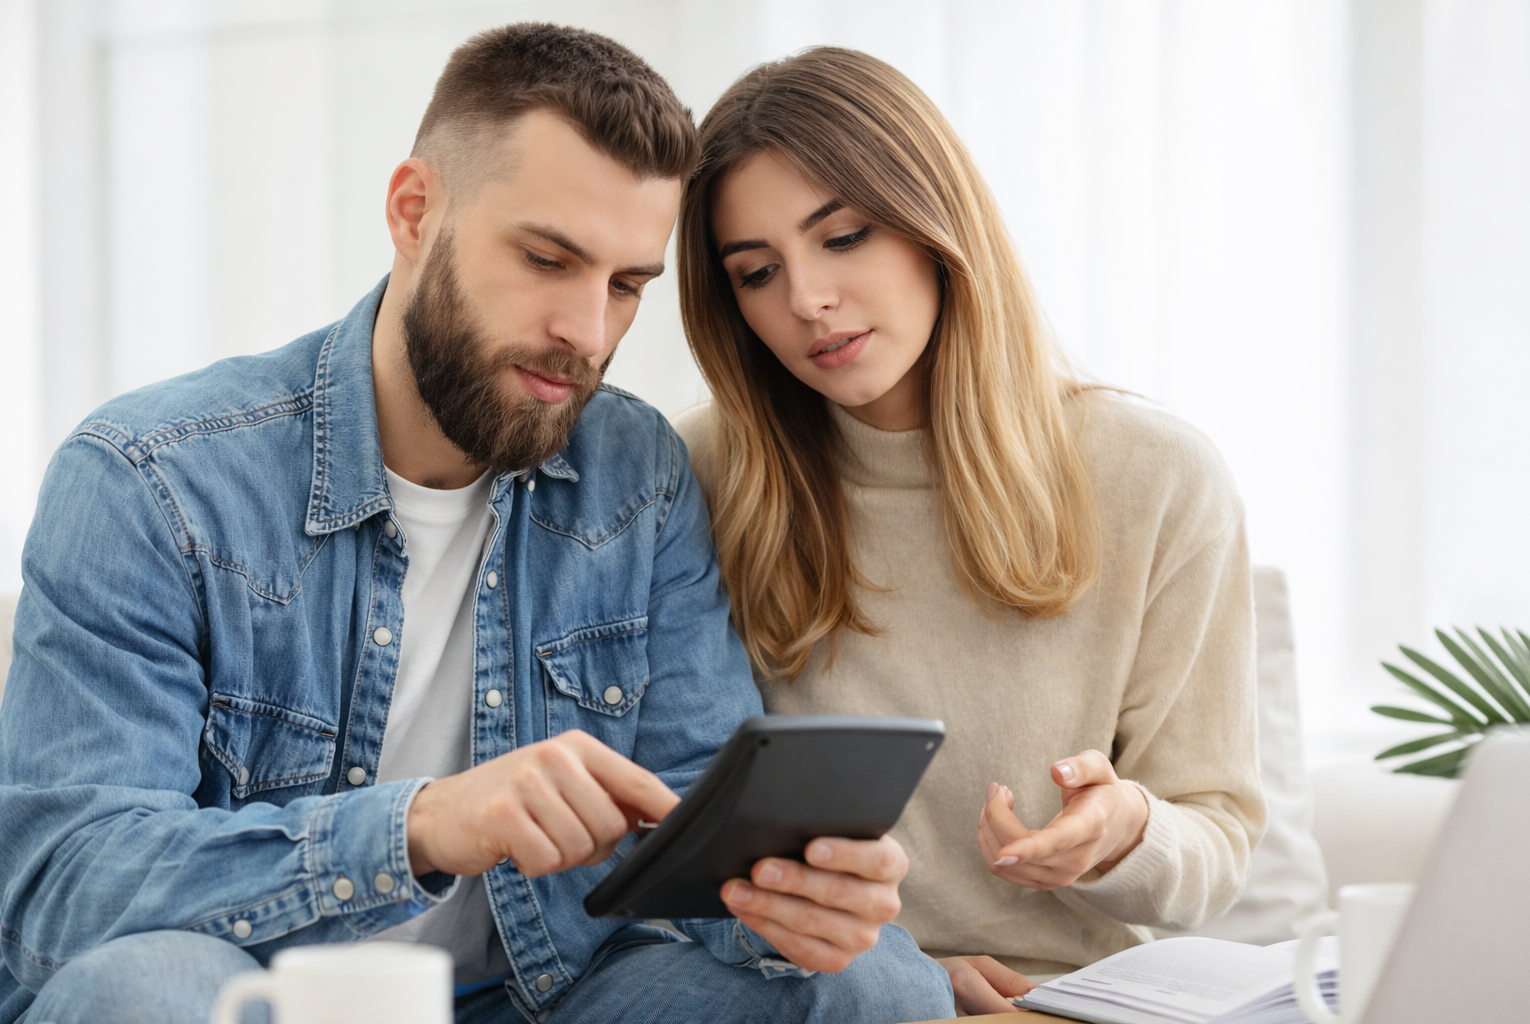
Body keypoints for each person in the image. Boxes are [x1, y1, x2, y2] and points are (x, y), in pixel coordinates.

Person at [0, 26, 955, 1024]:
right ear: (415, 211)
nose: (588, 332)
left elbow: (687, 833)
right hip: (267, 1000)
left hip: (536, 1001)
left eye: (626, 286)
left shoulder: (636, 476)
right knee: (144, 993)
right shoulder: (152, 480)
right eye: (548, 258)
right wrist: (418, 825)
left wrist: (794, 903)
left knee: (873, 981)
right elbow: (62, 886)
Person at [674, 47, 1267, 1016]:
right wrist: (900, 975)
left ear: (934, 225)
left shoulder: (1156, 476)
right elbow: (678, 844)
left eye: (846, 237)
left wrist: (1123, 831)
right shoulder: (703, 477)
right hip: (823, 996)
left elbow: (1218, 841)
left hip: (1070, 1001)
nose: (806, 300)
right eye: (755, 272)